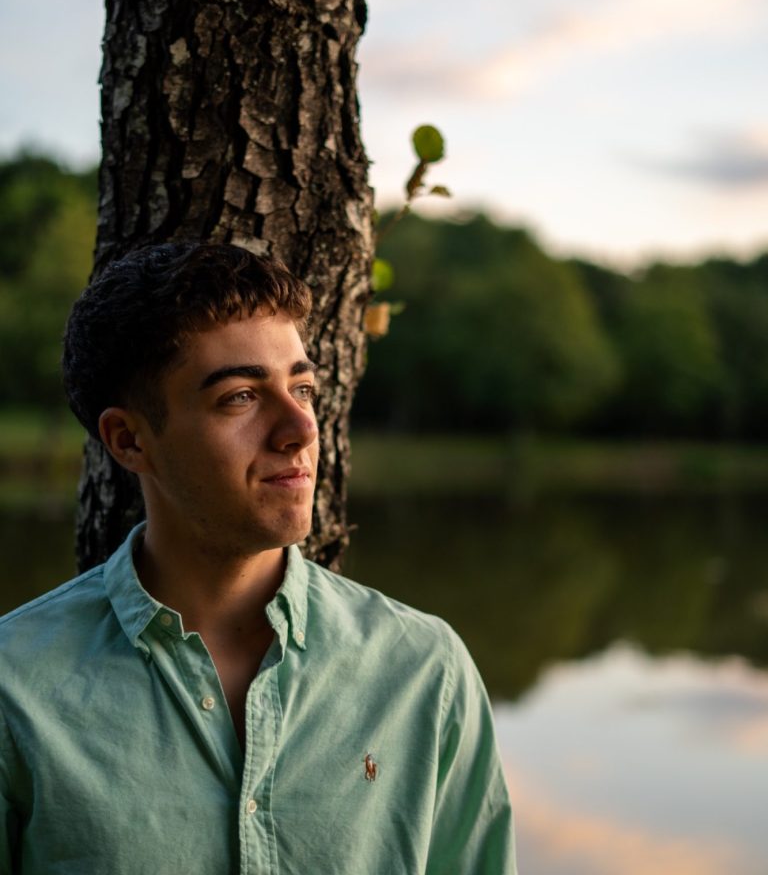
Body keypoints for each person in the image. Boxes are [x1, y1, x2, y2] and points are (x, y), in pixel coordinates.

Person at [0, 242, 516, 874]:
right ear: (130, 440)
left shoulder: (424, 672)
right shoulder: (14, 688)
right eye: (241, 397)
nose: (299, 428)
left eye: (302, 387)